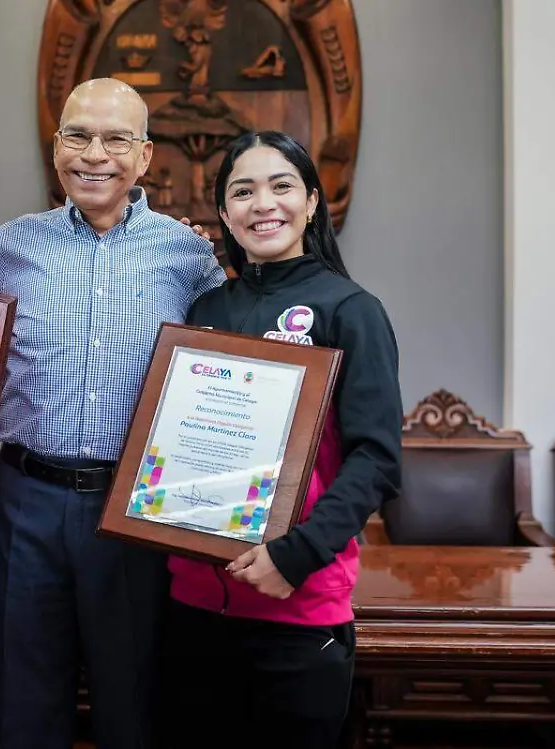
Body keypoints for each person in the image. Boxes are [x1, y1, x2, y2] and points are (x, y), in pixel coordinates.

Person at [0, 77, 227, 749]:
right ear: (55, 147)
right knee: (25, 704)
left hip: (133, 509)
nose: (95, 155)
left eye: (116, 139)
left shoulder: (190, 255)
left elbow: (222, 368)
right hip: (24, 498)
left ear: (145, 156)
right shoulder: (8, 247)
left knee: (132, 704)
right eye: (79, 136)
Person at [159, 130, 403, 748]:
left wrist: (294, 557)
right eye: (243, 192)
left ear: (312, 201)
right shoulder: (205, 310)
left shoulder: (352, 309)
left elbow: (376, 461)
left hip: (297, 604)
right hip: (193, 604)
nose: (263, 204)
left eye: (282, 186)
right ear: (224, 213)